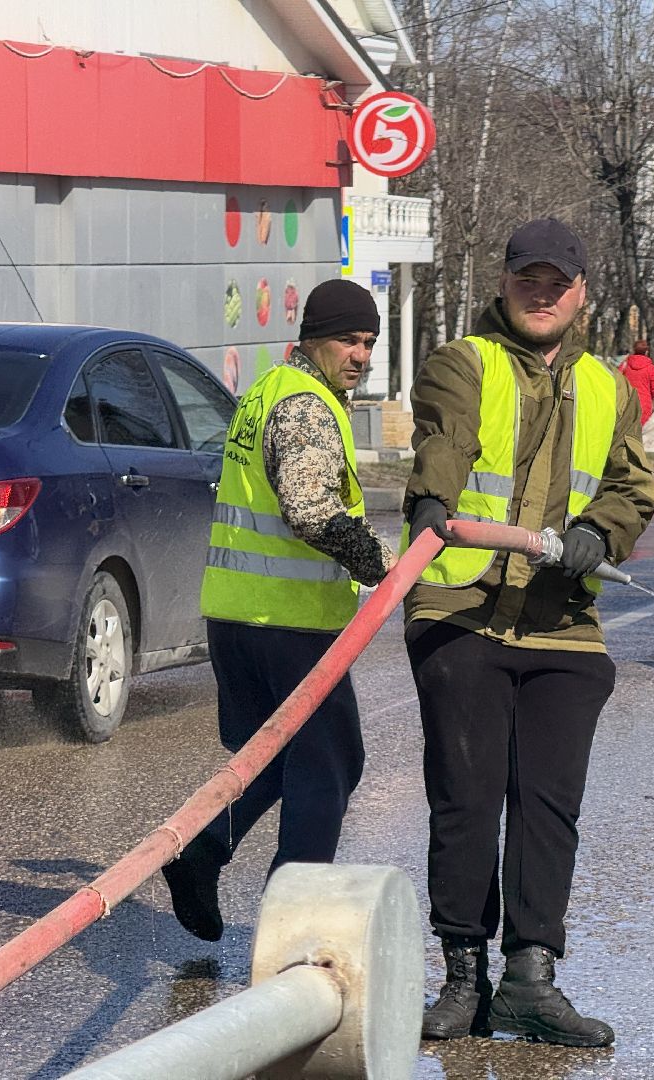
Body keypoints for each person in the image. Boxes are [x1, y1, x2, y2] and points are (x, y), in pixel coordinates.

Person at [403, 218, 654, 1047]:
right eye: (527, 280)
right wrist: (433, 507)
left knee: (549, 807)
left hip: (563, 623)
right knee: (468, 798)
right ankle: (462, 977)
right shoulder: (462, 363)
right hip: (464, 608)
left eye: (557, 282)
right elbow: (443, 440)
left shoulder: (609, 388)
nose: (540, 294)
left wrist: (603, 530)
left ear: (582, 292)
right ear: (505, 283)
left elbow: (631, 485)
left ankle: (530, 979)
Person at [161, 278, 396, 942]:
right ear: (315, 339)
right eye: (348, 340)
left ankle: (203, 850)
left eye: (369, 343)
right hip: (286, 624)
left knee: (275, 758)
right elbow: (312, 511)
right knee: (329, 766)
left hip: (241, 617)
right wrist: (384, 564)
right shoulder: (305, 406)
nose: (360, 355)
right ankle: (291, 928)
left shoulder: (268, 390)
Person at [618, 339, 654, 428]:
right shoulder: (650, 367)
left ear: (634, 350)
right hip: (644, 404)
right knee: (641, 432)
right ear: (646, 352)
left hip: (627, 403)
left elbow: (617, 381)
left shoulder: (625, 364)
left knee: (627, 431)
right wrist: (650, 397)